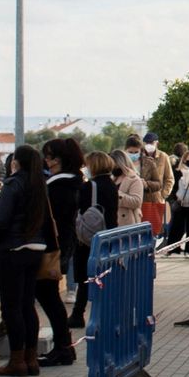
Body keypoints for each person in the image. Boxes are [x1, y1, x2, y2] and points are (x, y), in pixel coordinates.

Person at [0, 144, 53, 377]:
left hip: (13, 250)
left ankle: (17, 360)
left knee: (11, 307)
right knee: (27, 305)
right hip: (36, 249)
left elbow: (1, 220)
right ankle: (31, 359)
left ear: (17, 162)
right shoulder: (39, 186)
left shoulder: (13, 185)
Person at [55, 150, 120, 351]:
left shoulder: (89, 186)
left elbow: (78, 207)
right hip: (108, 234)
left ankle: (78, 314)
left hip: (89, 238)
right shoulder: (111, 185)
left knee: (85, 277)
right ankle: (103, 315)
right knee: (103, 277)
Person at [35, 138, 85, 366]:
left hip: (52, 248)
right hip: (62, 247)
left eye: (50, 156)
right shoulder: (72, 183)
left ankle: (63, 346)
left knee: (48, 297)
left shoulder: (58, 187)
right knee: (50, 296)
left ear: (60, 159)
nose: (47, 161)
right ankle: (64, 346)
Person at [128, 132, 174, 233]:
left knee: (154, 230)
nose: (149, 145)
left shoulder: (163, 156)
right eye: (147, 142)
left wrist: (163, 194)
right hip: (139, 198)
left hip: (156, 198)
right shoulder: (137, 155)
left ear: (157, 143)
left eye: (151, 142)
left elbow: (169, 178)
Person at [166, 149, 189, 255]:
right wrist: (174, 198)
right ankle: (173, 248)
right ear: (184, 159)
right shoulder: (177, 172)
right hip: (180, 203)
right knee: (177, 227)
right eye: (188, 158)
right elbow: (173, 187)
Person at [111, 148, 145, 227]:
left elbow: (136, 202)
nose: (112, 167)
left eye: (113, 164)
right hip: (114, 222)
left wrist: (116, 193)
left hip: (128, 223)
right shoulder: (113, 178)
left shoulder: (134, 179)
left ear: (120, 163)